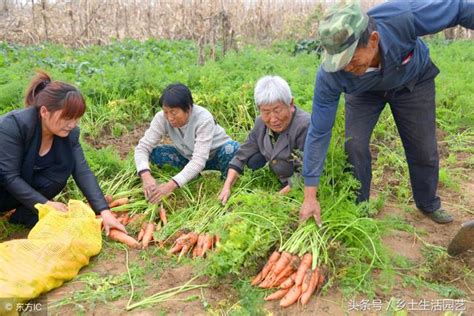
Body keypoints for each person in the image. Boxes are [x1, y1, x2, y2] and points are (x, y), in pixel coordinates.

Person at [300, 0, 474, 225]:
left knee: (423, 149)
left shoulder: (402, 18)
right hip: (364, 93)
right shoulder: (331, 76)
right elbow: (319, 131)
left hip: (412, 81)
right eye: (339, 64)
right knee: (354, 145)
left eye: (351, 60)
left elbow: (459, 8)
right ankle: (360, 208)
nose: (346, 69)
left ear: (373, 40)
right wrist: (309, 196)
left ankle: (427, 203)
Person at [0, 71, 126, 235]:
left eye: (76, 118)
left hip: (15, 191)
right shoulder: (14, 126)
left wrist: (104, 211)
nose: (72, 124)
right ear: (44, 112)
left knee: (62, 170)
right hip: (3, 185)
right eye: (67, 118)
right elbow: (8, 177)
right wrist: (46, 204)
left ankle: (24, 215)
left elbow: (82, 171)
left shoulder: (68, 134)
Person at [135, 83, 239, 203]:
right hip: (187, 157)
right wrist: (145, 175)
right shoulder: (161, 118)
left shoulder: (203, 119)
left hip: (215, 156)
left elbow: (199, 160)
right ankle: (193, 177)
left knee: (232, 149)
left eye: (173, 113)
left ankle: (226, 184)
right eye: (165, 112)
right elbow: (142, 147)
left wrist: (170, 186)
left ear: (188, 108)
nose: (169, 117)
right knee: (155, 153)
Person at [219, 75, 310, 204]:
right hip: (281, 174)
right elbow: (241, 155)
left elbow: (306, 172)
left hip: (298, 182)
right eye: (266, 112)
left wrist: (274, 199)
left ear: (291, 103)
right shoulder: (260, 123)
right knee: (252, 158)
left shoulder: (304, 126)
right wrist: (227, 186)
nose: (273, 119)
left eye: (277, 110)